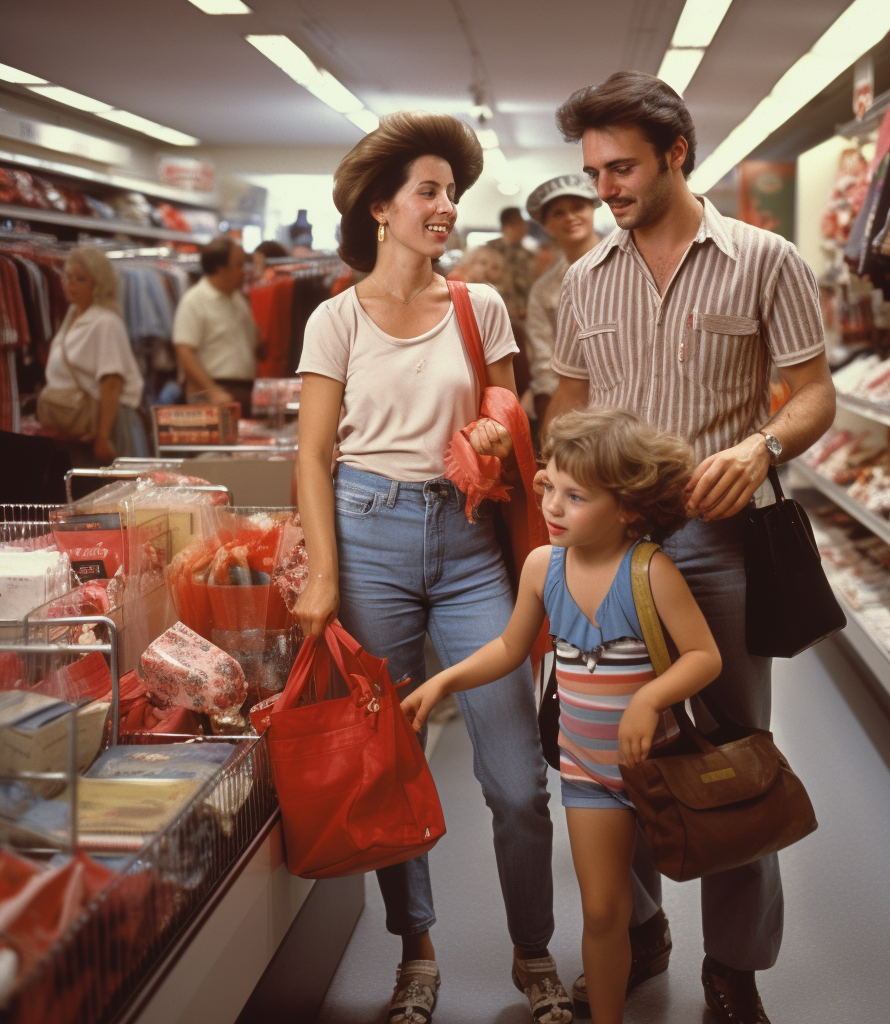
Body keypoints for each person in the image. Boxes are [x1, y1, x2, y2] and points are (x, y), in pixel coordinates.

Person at [544, 71, 836, 1024]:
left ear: (676, 153)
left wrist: (761, 445)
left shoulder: (765, 260)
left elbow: (812, 394)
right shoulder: (583, 280)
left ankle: (736, 968)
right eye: (593, 172)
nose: (605, 189)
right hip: (614, 558)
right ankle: (636, 928)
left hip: (719, 545)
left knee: (729, 750)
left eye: (621, 167)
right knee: (613, 749)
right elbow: (571, 412)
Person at [293, 111, 572, 1024]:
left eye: (452, 192)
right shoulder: (335, 319)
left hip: (465, 543)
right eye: (428, 190)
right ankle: (416, 951)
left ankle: (534, 949)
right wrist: (326, 574)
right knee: (388, 763)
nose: (446, 206)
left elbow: (509, 395)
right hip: (367, 534)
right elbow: (311, 456)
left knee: (516, 775)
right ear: (382, 205)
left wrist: (496, 425)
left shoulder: (477, 303)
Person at [402, 409, 722, 1024]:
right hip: (588, 775)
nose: (553, 505)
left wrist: (649, 698)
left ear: (627, 507)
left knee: (705, 864)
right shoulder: (542, 569)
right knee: (603, 911)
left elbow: (703, 656)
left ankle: (727, 963)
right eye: (549, 486)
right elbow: (507, 648)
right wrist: (442, 679)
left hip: (659, 770)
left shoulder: (650, 571)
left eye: (576, 496)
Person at [45, 246, 147, 463]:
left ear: (98, 283)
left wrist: (103, 437)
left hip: (106, 424)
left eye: (80, 279)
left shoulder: (106, 321)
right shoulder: (73, 314)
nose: (70, 283)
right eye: (68, 276)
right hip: (81, 423)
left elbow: (112, 381)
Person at [524, 173, 602, 425]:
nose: (570, 217)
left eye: (578, 207)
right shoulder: (543, 290)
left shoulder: (632, 266)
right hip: (573, 405)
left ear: (592, 210)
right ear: (547, 225)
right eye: (558, 213)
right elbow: (544, 363)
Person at [173, 236, 261, 416]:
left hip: (242, 390)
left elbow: (255, 343)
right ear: (221, 269)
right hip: (215, 392)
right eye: (239, 265)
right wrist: (212, 390)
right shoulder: (194, 300)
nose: (244, 271)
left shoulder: (237, 298)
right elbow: (184, 350)